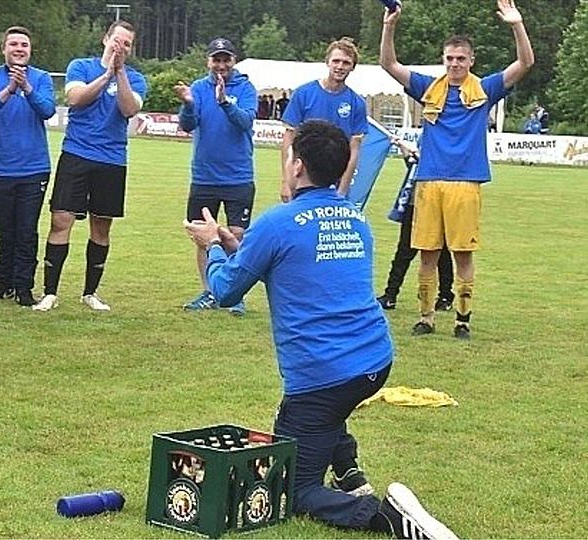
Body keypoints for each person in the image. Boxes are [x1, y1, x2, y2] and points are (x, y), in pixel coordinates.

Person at [184, 120, 458, 540]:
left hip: (322, 374)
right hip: (373, 359)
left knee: (292, 488)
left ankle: (389, 518)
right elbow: (294, 262)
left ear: (297, 167)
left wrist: (212, 245)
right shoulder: (354, 217)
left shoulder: (276, 222)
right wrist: (237, 246)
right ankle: (349, 471)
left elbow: (224, 290)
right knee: (325, 415)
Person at [380, 0, 534, 339]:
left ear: (471, 61)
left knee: (463, 254)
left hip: (466, 183)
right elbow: (388, 63)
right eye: (449, 58)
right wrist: (389, 25)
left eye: (460, 58)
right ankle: (426, 317)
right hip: (429, 181)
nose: (454, 64)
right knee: (427, 254)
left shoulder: (485, 89)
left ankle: (462, 320)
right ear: (443, 59)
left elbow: (525, 62)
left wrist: (516, 24)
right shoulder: (427, 87)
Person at [32, 20, 147, 312]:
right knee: (61, 220)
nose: (120, 47)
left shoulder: (135, 78)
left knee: (101, 225)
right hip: (76, 154)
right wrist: (107, 73)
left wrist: (119, 74)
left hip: (111, 160)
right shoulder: (80, 67)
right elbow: (76, 98)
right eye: (116, 40)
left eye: (126, 44)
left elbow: (129, 109)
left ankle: (90, 293)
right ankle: (50, 292)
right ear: (105, 39)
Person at [0, 26, 56, 307]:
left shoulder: (42, 78)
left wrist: (27, 88)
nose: (19, 48)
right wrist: (10, 89)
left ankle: (24, 286)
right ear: (4, 49)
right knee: (4, 229)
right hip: (0, 168)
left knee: (26, 230)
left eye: (24, 44)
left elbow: (48, 110)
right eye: (13, 44)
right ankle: (2, 282)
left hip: (34, 169)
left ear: (30, 50)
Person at [174, 37, 255, 315]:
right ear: (208, 61)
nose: (221, 65)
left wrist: (224, 102)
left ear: (234, 61)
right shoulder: (197, 88)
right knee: (202, 235)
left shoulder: (245, 88)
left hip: (238, 177)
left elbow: (245, 121)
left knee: (236, 236)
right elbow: (187, 125)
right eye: (216, 59)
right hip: (204, 176)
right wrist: (187, 104)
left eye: (226, 59)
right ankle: (209, 291)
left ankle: (235, 294)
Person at [281, 38, 367, 201]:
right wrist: (286, 181)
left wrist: (342, 191)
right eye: (336, 61)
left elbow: (354, 149)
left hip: (335, 181)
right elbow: (289, 140)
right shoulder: (303, 94)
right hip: (303, 179)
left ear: (353, 67)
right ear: (327, 62)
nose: (340, 66)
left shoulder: (357, 103)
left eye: (346, 63)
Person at [377, 143, 455, 311]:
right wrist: (404, 149)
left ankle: (445, 295)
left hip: (435, 206)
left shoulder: (442, 146)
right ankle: (390, 295)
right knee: (404, 253)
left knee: (441, 253)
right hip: (414, 206)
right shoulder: (427, 139)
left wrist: (417, 155)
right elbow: (413, 166)